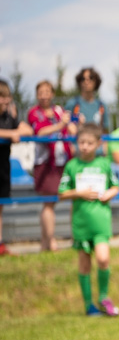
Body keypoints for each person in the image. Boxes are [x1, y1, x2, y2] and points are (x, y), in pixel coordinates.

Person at [57, 123, 119, 316]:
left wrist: (109, 194)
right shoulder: (72, 166)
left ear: (98, 144)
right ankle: (88, 306)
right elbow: (62, 193)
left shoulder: (104, 164)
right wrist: (79, 192)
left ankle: (103, 297)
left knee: (103, 258)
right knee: (84, 264)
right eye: (81, 142)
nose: (85, 146)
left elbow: (116, 186)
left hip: (101, 222)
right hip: (81, 223)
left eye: (89, 143)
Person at [27, 80, 76, 252]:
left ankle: (67, 240)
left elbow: (71, 129)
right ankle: (50, 242)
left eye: (47, 91)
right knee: (48, 203)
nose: (44, 95)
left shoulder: (59, 111)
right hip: (46, 163)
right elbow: (39, 132)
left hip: (64, 161)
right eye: (41, 92)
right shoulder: (34, 113)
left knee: (72, 199)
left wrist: (74, 123)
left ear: (52, 93)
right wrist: (61, 124)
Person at [0, 80, 34, 256]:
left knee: (0, 206)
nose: (5, 101)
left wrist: (16, 132)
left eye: (7, 97)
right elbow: (12, 133)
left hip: (3, 169)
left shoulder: (9, 117)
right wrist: (10, 134)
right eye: (1, 97)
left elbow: (28, 130)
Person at [65, 67, 110, 133]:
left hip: (96, 143)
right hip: (76, 143)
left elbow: (105, 131)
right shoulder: (72, 104)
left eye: (91, 78)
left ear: (96, 81)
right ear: (79, 82)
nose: (87, 81)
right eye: (83, 79)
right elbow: (64, 128)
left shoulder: (102, 106)